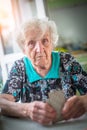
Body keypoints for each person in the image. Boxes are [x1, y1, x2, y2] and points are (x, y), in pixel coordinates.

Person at [1, 18, 87, 125]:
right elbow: (2, 102)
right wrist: (26, 110)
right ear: (23, 49)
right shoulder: (20, 68)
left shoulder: (67, 62)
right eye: (31, 43)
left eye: (44, 41)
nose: (39, 49)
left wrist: (84, 101)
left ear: (52, 43)